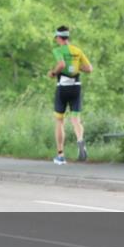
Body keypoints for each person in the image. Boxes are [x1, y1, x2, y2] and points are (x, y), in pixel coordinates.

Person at [47, 26, 93, 164]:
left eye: (56, 38)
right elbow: (89, 69)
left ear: (59, 38)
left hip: (63, 87)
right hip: (76, 87)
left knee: (59, 120)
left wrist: (53, 73)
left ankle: (60, 155)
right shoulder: (77, 51)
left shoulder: (58, 50)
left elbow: (61, 64)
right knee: (75, 119)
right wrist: (76, 67)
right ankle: (80, 140)